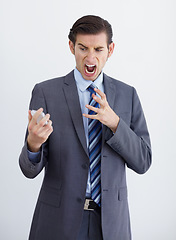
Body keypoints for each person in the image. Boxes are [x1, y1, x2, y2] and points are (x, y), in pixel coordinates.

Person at [19, 15, 152, 240]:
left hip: (111, 224)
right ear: (71, 47)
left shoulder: (128, 95)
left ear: (110, 50)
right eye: (83, 48)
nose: (90, 58)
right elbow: (28, 170)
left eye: (98, 49)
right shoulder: (45, 92)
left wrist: (115, 123)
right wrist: (33, 143)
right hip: (59, 221)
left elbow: (143, 161)